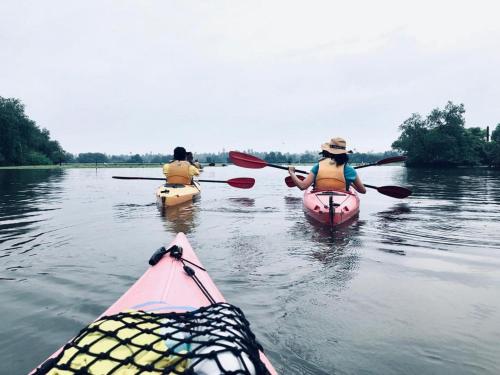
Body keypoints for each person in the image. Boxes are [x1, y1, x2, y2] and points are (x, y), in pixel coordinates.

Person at [288, 137, 366, 193]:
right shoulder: (350, 170)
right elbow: (362, 191)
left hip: (320, 198)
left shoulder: (318, 166)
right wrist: (350, 184)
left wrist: (291, 172)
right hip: (342, 199)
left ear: (330, 152)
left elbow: (302, 186)